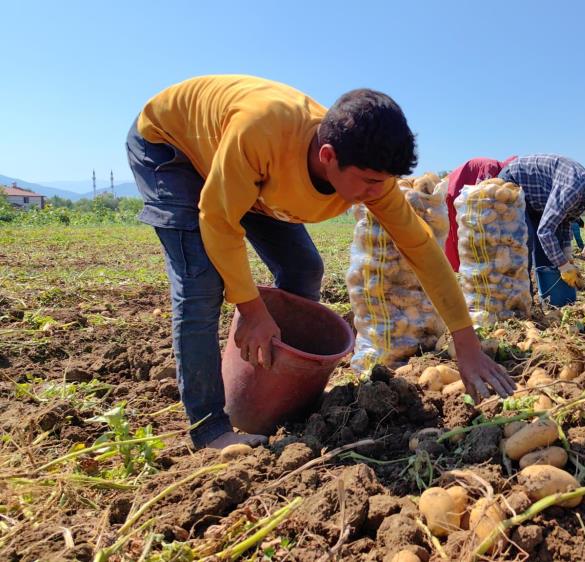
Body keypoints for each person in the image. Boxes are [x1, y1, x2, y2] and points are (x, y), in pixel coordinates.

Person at [127, 75, 515, 450]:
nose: (377, 192)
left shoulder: (372, 178)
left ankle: (270, 391)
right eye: (369, 181)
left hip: (241, 172)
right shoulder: (262, 134)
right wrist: (251, 308)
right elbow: (218, 220)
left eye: (384, 181)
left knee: (303, 269)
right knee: (200, 284)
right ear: (328, 156)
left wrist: (465, 342)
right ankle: (209, 427)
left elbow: (422, 249)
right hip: (171, 147)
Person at [497, 155, 585, 289]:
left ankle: (550, 294)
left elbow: (564, 220)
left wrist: (567, 254)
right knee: (524, 243)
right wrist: (564, 266)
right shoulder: (574, 189)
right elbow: (545, 231)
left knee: (550, 252)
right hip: (514, 182)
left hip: (536, 201)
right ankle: (521, 295)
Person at [444, 157, 516, 271]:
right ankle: (457, 270)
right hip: (455, 193)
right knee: (459, 237)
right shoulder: (491, 167)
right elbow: (481, 197)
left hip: (461, 195)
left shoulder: (498, 172)